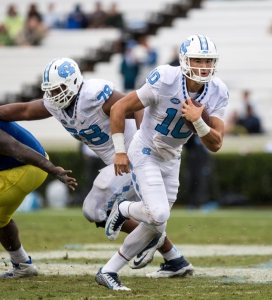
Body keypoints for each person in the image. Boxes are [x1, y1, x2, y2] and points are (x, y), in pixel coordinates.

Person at [0, 57, 193, 283]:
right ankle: (174, 259)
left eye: (59, 89)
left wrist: (143, 147)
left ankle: (154, 239)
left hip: (136, 157)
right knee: (99, 213)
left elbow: (138, 106)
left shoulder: (93, 95)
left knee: (95, 210)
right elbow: (22, 110)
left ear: (73, 82)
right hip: (119, 166)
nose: (54, 95)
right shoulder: (55, 105)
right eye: (50, 91)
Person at [99, 34, 229, 290]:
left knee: (154, 226)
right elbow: (118, 108)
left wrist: (198, 120)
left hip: (172, 157)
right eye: (197, 60)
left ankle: (108, 270)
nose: (203, 67)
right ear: (184, 60)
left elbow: (216, 143)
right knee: (158, 214)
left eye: (207, 61)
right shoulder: (165, 79)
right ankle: (124, 208)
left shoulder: (218, 91)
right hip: (146, 150)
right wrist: (120, 151)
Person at [0, 120, 77, 278]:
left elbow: (16, 148)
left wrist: (52, 169)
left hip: (28, 167)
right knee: (1, 219)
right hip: (28, 166)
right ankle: (22, 264)